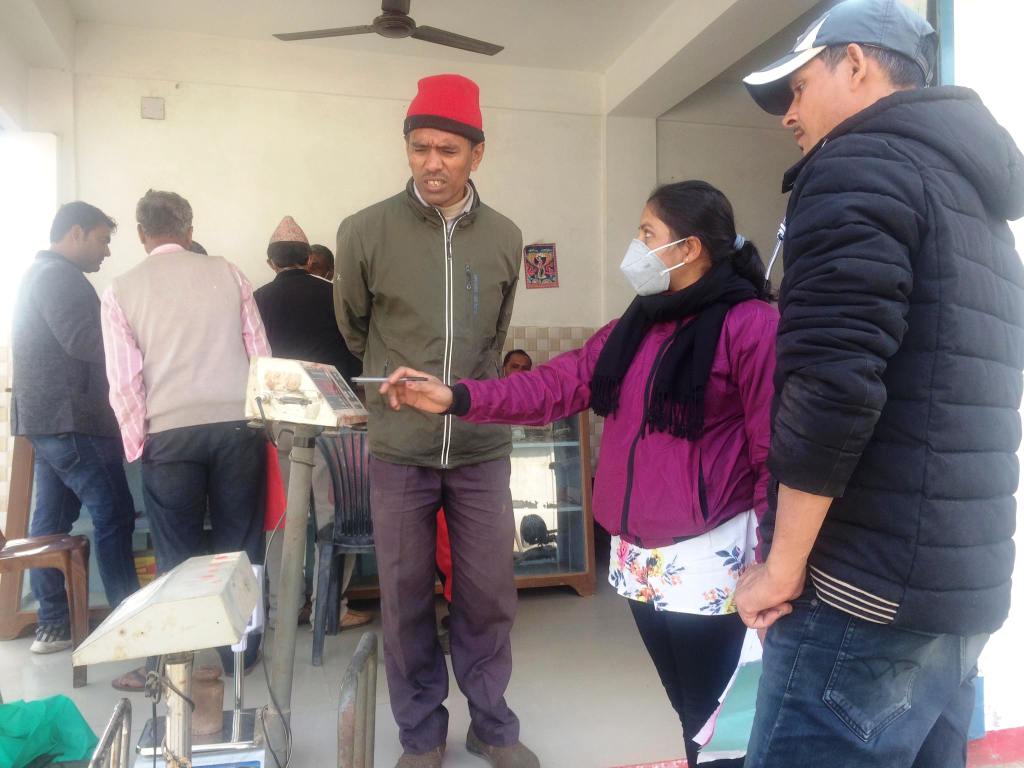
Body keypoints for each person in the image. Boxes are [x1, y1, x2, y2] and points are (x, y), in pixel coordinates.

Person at [381, 180, 778, 768]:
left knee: (716, 714)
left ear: (689, 248)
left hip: (711, 558)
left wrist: (773, 564)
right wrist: (457, 397)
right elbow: (554, 385)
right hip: (639, 557)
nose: (635, 246)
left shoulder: (752, 326)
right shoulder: (635, 326)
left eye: (647, 233)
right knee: (687, 706)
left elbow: (776, 455)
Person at [735, 2, 1024, 766]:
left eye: (798, 88)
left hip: (864, 595)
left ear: (856, 64)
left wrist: (781, 569)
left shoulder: (856, 167)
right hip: (960, 591)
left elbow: (834, 387)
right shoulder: (977, 203)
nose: (788, 114)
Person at [335, 73, 533, 768]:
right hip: (401, 448)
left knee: (488, 595)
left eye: (448, 150)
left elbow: (496, 337)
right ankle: (421, 734)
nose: (432, 163)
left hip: (480, 446)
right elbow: (354, 329)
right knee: (405, 596)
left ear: (477, 153)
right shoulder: (364, 231)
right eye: (420, 148)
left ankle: (491, 725)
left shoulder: (505, 237)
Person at [101, 189, 269, 688]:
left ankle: (175, 660)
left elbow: (124, 381)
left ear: (141, 234)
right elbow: (261, 355)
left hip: (169, 434)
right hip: (237, 427)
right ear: (190, 230)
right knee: (241, 545)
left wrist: (139, 444)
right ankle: (241, 654)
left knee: (176, 553)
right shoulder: (229, 273)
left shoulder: (121, 290)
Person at [11, 201, 140, 655]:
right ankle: (128, 625)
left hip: (47, 420)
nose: (106, 251)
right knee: (115, 514)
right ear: (76, 233)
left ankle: (53, 622)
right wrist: (138, 341)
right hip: (73, 421)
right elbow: (87, 342)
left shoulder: (40, 274)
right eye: (102, 239)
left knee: (50, 524)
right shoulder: (60, 277)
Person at [253, 215, 368, 639]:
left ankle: (282, 613)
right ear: (307, 258)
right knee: (335, 515)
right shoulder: (335, 296)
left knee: (285, 518)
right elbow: (358, 353)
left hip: (280, 422)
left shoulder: (257, 299)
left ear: (270, 262)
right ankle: (330, 609)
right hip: (335, 419)